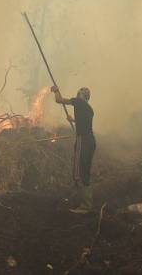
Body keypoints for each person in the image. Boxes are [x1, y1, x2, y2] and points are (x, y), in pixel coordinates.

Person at [51, 85, 96, 214]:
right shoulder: (89, 109)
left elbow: (59, 100)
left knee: (78, 172)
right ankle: (83, 202)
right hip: (91, 141)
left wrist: (56, 91)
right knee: (84, 170)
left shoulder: (78, 102)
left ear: (81, 95)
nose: (78, 94)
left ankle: (84, 205)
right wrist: (73, 120)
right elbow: (84, 123)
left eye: (79, 93)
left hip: (83, 140)